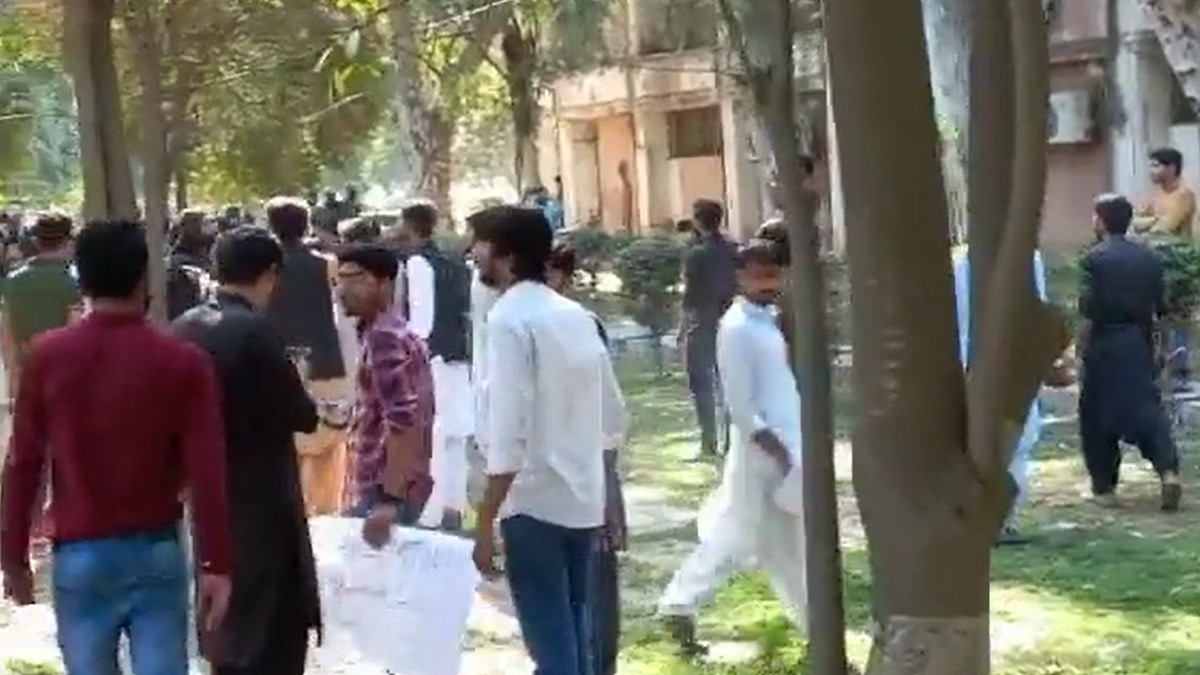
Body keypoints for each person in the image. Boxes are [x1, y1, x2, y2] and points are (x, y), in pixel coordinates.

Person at [0, 220, 232, 672]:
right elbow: (208, 470)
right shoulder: (183, 361)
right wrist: (216, 562)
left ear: (81, 278)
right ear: (143, 277)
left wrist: (13, 554)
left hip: (79, 550)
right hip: (157, 548)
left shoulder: (48, 356)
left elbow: (23, 461)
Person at [471, 206, 625, 675]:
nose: (473, 253)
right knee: (574, 632)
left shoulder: (508, 319)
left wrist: (485, 518)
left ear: (505, 254)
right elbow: (612, 414)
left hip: (532, 501)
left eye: (480, 243)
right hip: (581, 497)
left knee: (553, 643)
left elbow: (509, 431)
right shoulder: (574, 314)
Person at [172, 227, 322, 675]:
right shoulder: (257, 331)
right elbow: (302, 414)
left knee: (221, 616)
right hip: (261, 490)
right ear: (270, 274)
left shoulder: (183, 327)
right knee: (271, 623)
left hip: (201, 490)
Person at [658, 238, 806, 656]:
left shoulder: (768, 320)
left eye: (773, 275)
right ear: (741, 277)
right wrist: (778, 452)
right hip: (762, 452)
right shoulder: (736, 327)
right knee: (738, 536)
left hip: (788, 448)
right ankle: (678, 604)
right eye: (759, 276)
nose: (767, 284)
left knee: (789, 548)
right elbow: (740, 406)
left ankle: (821, 633)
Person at [546, 240, 627, 675]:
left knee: (594, 586)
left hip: (588, 471)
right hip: (547, 479)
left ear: (564, 278)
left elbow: (604, 416)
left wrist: (608, 491)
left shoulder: (581, 325)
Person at [1079, 194, 1182, 511]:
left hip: (1103, 344)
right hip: (1138, 342)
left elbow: (1087, 313)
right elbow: (1161, 311)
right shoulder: (1149, 258)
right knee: (1146, 410)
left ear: (1101, 220)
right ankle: (1168, 471)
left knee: (1096, 415)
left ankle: (1104, 488)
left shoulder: (1093, 260)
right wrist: (1162, 350)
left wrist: (1078, 350)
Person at [336, 244, 436, 541]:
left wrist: (389, 500)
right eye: (339, 280)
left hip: (384, 490)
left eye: (355, 279)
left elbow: (403, 420)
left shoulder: (384, 337)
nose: (342, 290)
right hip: (391, 486)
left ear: (384, 283)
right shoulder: (389, 331)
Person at [952, 246, 1047, 544]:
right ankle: (1002, 519)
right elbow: (1038, 309)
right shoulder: (1028, 258)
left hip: (971, 362)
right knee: (1018, 441)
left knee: (979, 439)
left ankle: (980, 514)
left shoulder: (961, 262)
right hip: (1012, 362)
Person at [265, 196, 348, 515]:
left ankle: (291, 512)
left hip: (279, 365)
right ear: (307, 225)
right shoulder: (327, 264)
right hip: (326, 361)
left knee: (286, 447)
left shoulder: (265, 269)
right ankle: (326, 515)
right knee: (329, 444)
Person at [398, 202, 474, 531]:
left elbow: (421, 322)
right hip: (458, 354)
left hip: (432, 358)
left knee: (434, 434)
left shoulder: (418, 263)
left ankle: (431, 511)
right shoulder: (455, 264)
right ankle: (455, 505)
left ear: (409, 225)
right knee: (456, 433)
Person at [678, 199, 738, 460]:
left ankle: (708, 442)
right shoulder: (734, 250)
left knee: (702, 386)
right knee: (728, 384)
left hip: (702, 322)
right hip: (730, 320)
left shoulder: (695, 255)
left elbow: (689, 297)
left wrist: (681, 328)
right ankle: (731, 442)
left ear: (698, 222)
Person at [1, 212, 81, 399]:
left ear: (36, 242)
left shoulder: (12, 281)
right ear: (68, 242)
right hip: (61, 378)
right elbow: (75, 331)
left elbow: (7, 337)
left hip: (26, 374)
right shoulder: (71, 282)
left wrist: (13, 383)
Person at [1133, 147, 1196, 238]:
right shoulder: (1155, 193)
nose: (1151, 171)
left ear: (1171, 168)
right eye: (1150, 167)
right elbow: (1134, 222)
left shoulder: (1183, 195)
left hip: (1176, 245)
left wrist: (1150, 221)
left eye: (1156, 166)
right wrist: (1155, 219)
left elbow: (1164, 228)